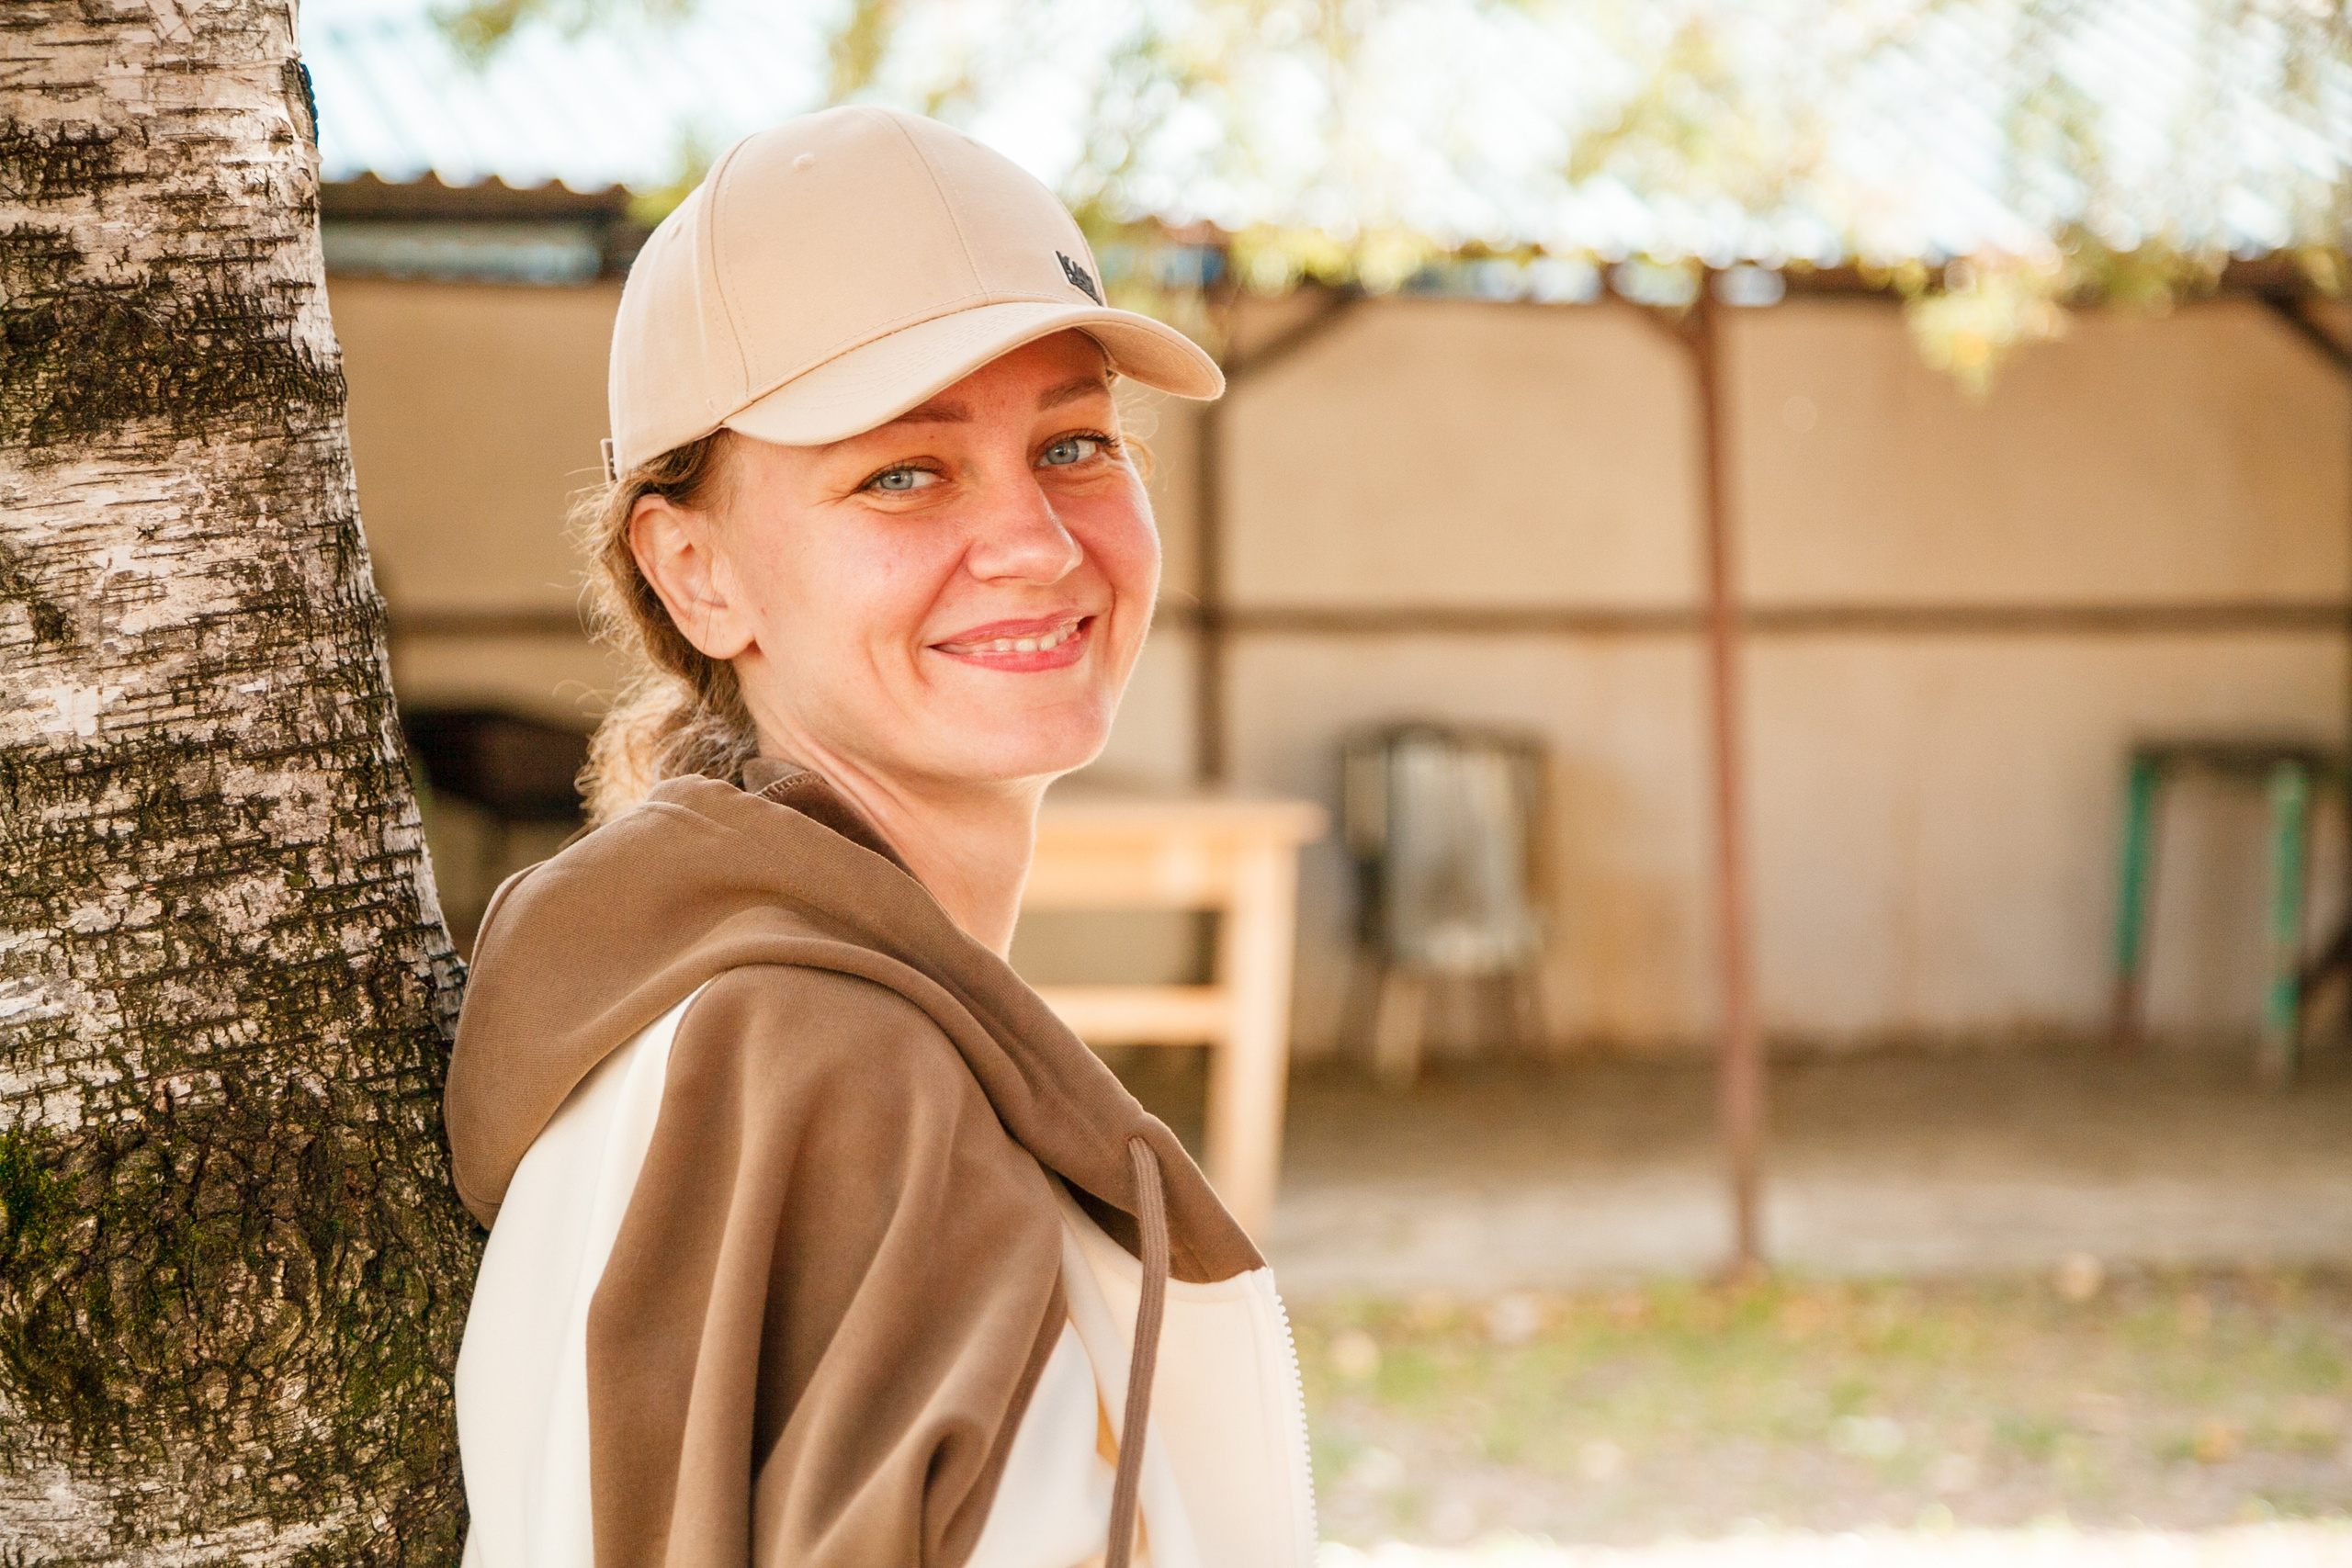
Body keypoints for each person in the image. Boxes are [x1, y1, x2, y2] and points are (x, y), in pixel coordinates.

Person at [441, 107, 1317, 1568]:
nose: (1039, 541)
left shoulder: (714, 1012)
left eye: (1077, 442)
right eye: (901, 473)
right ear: (698, 573)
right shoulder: (838, 1074)